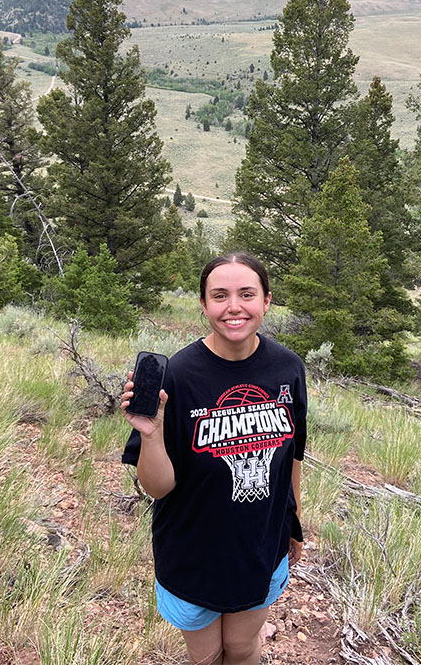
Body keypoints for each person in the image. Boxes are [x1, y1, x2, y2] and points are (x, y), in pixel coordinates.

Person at [122, 252, 306, 665]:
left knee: (241, 648)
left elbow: (292, 456)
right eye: (220, 295)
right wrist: (150, 435)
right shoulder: (179, 375)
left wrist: (293, 522)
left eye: (247, 294)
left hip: (260, 544)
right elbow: (158, 487)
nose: (234, 306)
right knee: (205, 656)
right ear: (204, 305)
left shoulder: (288, 368)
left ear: (267, 301)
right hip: (194, 551)